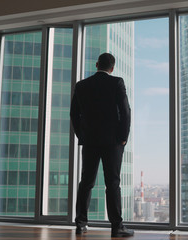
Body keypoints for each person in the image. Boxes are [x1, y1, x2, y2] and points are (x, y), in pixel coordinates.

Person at [70, 53, 134, 237]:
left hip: (90, 140)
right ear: (112, 68)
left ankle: (81, 224)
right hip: (112, 142)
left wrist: (81, 135)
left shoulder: (81, 85)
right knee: (112, 183)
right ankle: (116, 227)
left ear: (97, 64)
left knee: (86, 182)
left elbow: (74, 114)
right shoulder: (117, 83)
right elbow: (125, 112)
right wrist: (123, 137)